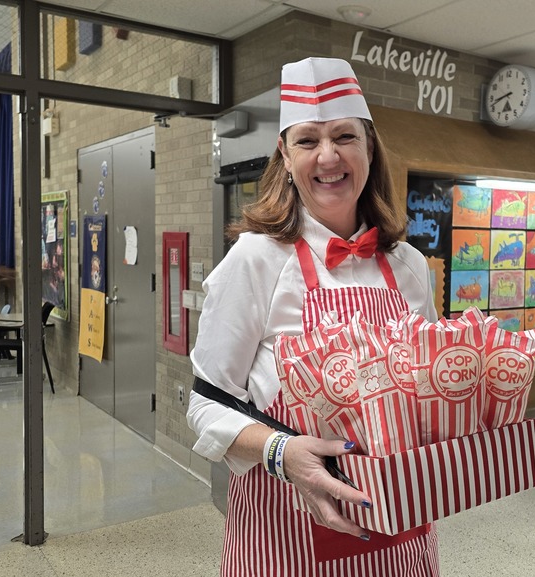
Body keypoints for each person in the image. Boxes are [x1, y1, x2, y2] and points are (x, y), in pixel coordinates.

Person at [186, 57, 439, 576]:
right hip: (287, 532)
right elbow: (204, 405)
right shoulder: (257, 259)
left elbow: (428, 388)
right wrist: (281, 451)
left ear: (369, 146)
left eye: (345, 136)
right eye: (307, 140)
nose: (329, 156)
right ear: (285, 153)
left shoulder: (409, 265)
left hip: (399, 532)